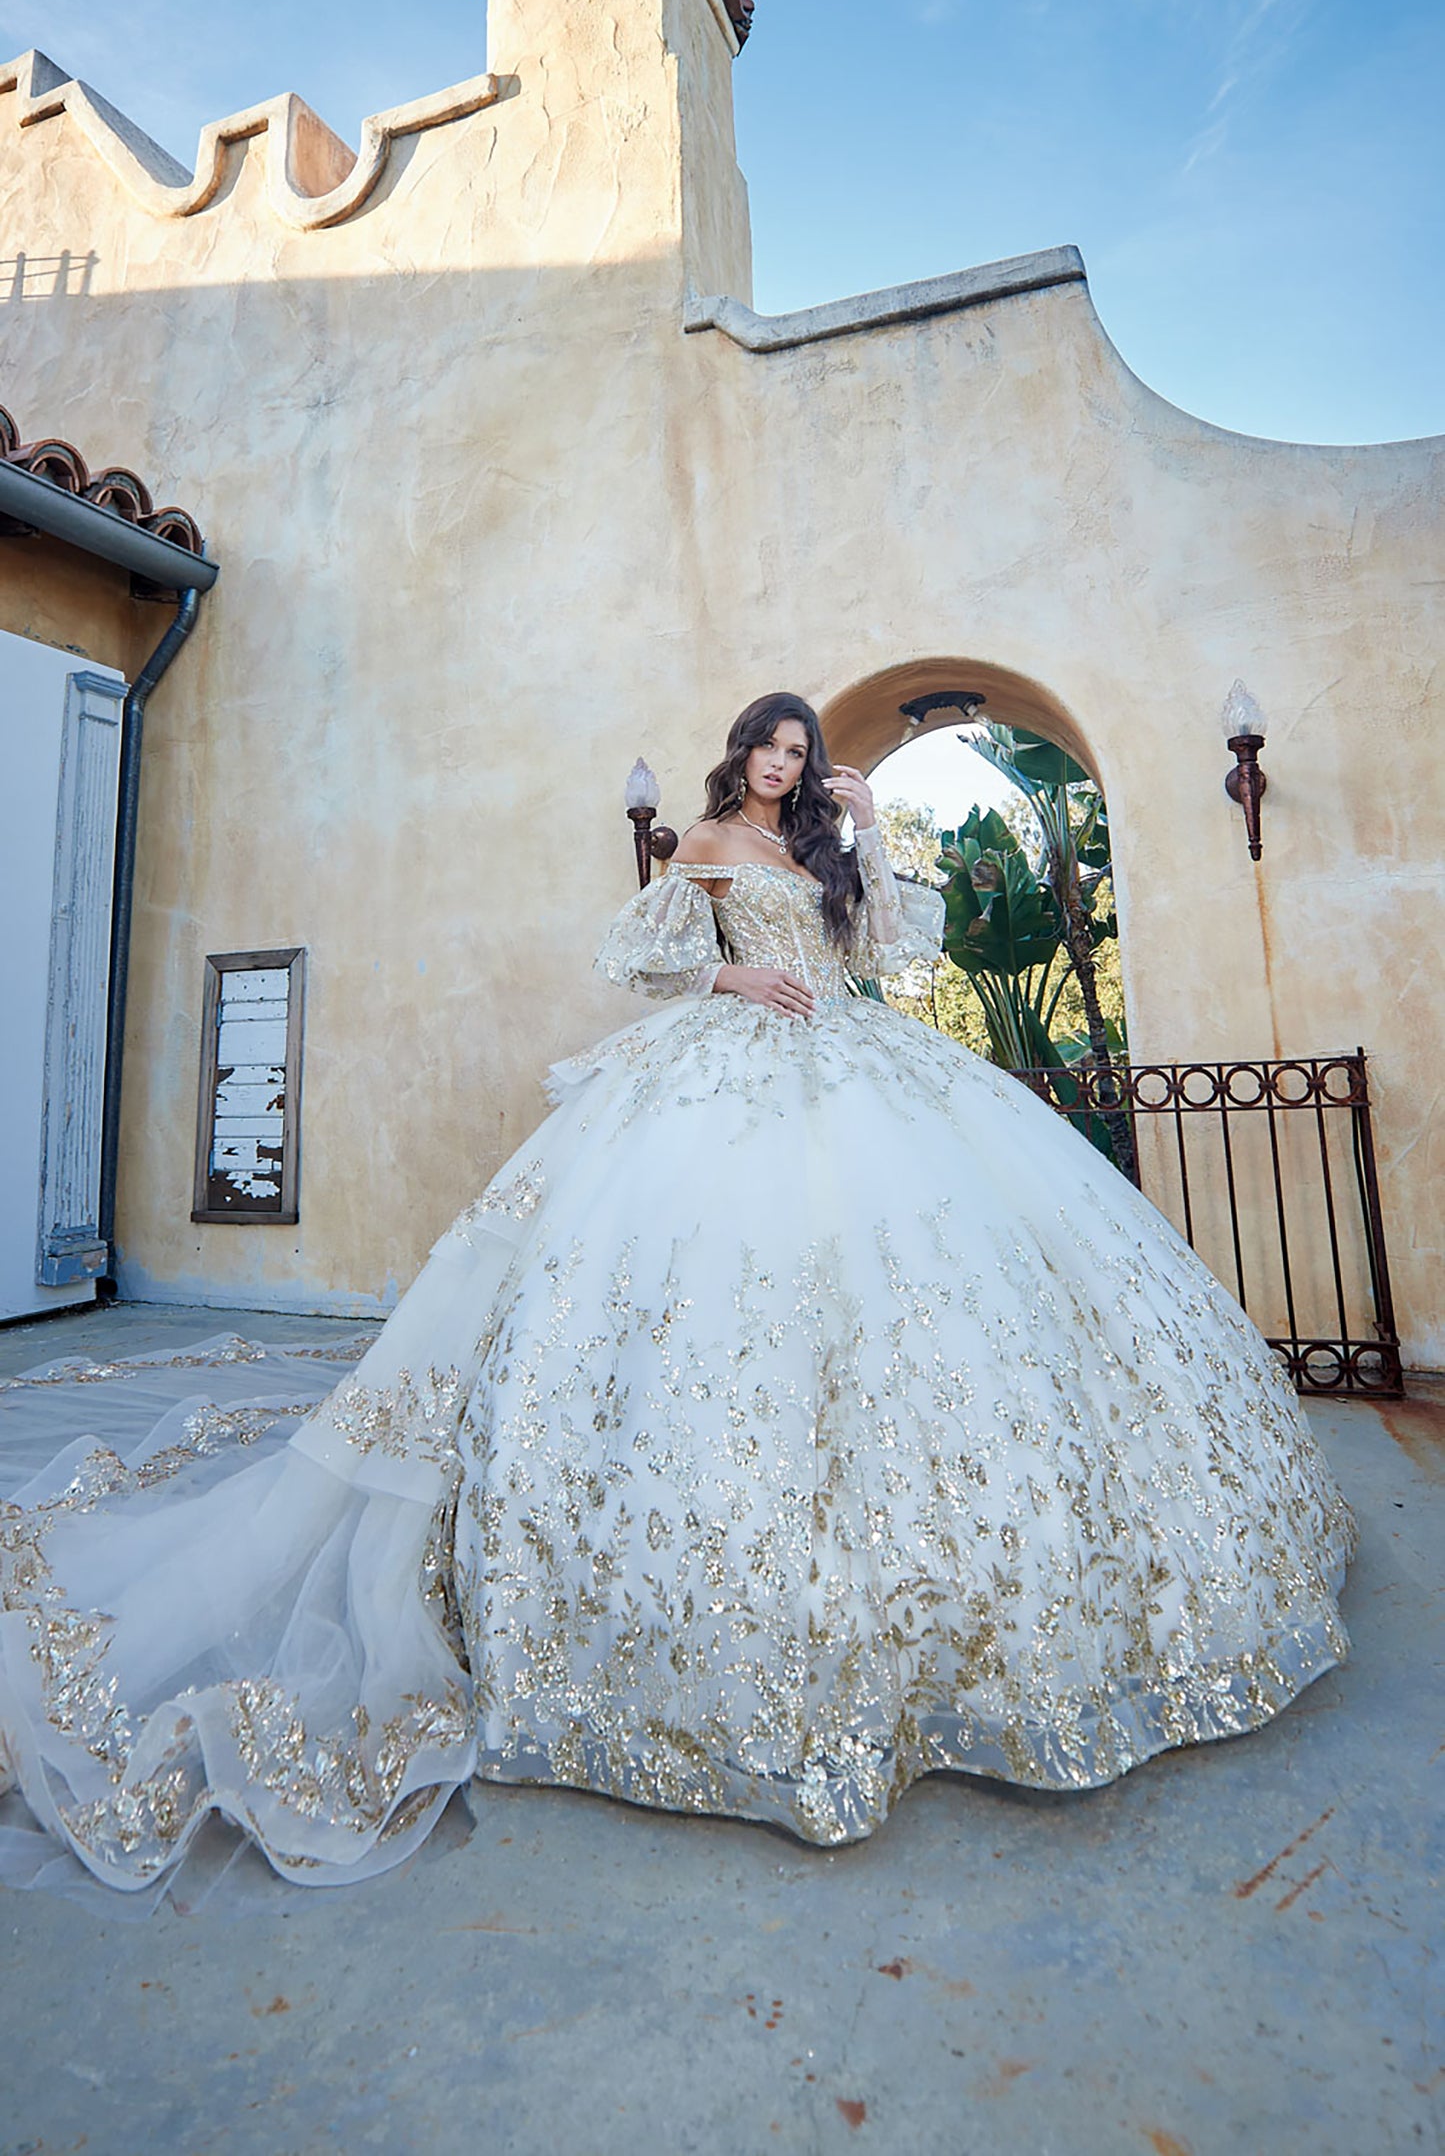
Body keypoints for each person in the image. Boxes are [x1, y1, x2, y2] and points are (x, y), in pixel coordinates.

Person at [0, 692, 1355, 1899]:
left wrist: (872, 824)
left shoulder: (827, 846)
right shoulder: (703, 846)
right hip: (729, 1065)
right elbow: (631, 961)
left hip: (862, 1060)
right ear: (740, 758)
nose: (783, 765)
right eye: (770, 748)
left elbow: (887, 957)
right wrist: (728, 971)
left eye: (800, 752)